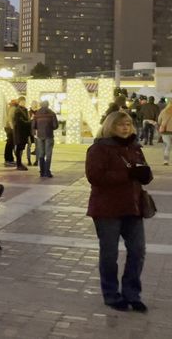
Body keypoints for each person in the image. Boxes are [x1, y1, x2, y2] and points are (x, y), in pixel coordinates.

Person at [85, 111, 149, 312]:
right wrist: (127, 174)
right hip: (107, 208)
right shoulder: (99, 149)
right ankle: (112, 295)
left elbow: (141, 170)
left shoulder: (135, 147)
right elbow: (95, 177)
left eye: (128, 124)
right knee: (109, 253)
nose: (125, 128)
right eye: (121, 124)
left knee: (138, 250)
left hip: (133, 206)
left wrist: (145, 174)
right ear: (110, 126)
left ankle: (132, 293)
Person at [32, 100, 59, 178]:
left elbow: (33, 125)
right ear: (48, 105)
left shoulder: (37, 114)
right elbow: (55, 126)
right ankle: (47, 172)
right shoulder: (52, 113)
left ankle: (42, 171)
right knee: (48, 154)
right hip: (49, 136)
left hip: (40, 136)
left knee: (41, 154)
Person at [12, 97, 31, 171]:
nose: (23, 103)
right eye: (22, 102)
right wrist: (29, 122)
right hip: (19, 132)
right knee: (19, 147)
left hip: (24, 132)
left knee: (21, 147)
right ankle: (18, 164)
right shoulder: (18, 110)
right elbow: (19, 121)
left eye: (24, 102)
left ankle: (19, 163)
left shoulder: (25, 110)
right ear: (19, 102)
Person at [4, 100, 17, 167]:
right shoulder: (13, 109)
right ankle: (8, 159)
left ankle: (9, 159)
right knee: (10, 144)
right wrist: (12, 128)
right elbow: (10, 119)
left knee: (10, 144)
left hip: (8, 128)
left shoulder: (11, 108)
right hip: (10, 128)